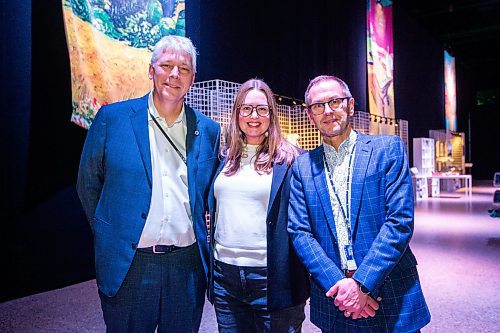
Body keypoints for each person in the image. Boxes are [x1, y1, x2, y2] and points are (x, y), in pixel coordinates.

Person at [77, 35, 221, 332]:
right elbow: (88, 184)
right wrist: (113, 233)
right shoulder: (112, 119)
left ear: (193, 78)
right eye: (166, 65)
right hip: (131, 265)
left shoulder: (208, 130)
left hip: (186, 267)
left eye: (183, 68)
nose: (174, 74)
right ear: (151, 70)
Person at [287, 75, 431, 332]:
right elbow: (300, 232)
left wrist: (362, 284)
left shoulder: (388, 149)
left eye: (334, 102)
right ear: (310, 115)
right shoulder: (302, 166)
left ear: (350, 106)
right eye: (318, 106)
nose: (327, 111)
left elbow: (399, 223)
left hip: (388, 289)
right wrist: (341, 286)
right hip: (335, 296)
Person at [209, 78, 310, 332]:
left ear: (271, 115)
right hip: (226, 279)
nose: (254, 116)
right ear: (237, 113)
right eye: (246, 108)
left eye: (262, 109)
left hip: (274, 279)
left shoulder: (292, 160)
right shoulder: (223, 158)